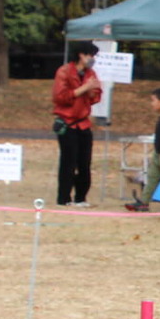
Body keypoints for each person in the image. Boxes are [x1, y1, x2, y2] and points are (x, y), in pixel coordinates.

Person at [52, 44, 103, 208]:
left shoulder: (91, 73)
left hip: (84, 124)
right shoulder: (64, 71)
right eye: (91, 55)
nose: (93, 59)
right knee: (68, 162)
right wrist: (83, 88)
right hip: (68, 124)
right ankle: (64, 198)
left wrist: (91, 91)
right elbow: (60, 97)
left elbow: (96, 97)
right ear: (81, 55)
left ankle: (81, 197)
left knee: (84, 162)